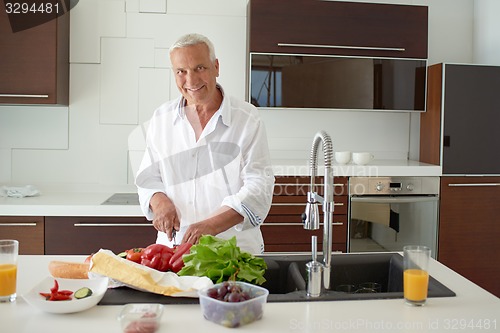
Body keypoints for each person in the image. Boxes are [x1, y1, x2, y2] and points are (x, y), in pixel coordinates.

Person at [135, 33, 275, 254]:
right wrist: (159, 201)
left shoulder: (247, 118)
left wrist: (212, 225)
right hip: (173, 251)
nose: (191, 81)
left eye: (200, 68)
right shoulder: (161, 118)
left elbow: (259, 187)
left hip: (233, 252)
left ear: (216, 67)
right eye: (181, 71)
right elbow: (148, 177)